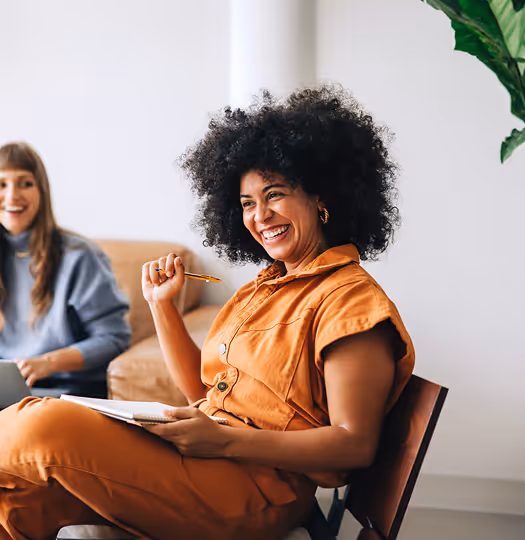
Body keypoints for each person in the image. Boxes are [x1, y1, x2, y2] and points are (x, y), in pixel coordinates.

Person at [0, 86, 415, 540]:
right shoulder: (265, 287)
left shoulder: (350, 300)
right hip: (209, 462)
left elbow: (354, 445)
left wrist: (228, 441)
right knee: (18, 498)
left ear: (322, 196)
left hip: (254, 492)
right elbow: (201, 389)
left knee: (40, 423)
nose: (259, 216)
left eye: (274, 194)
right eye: (246, 203)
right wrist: (162, 306)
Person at [0, 142, 131, 398]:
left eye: (25, 183)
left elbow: (114, 338)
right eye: (1, 184)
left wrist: (47, 363)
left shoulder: (80, 256)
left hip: (65, 392)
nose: (12, 195)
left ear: (42, 191)